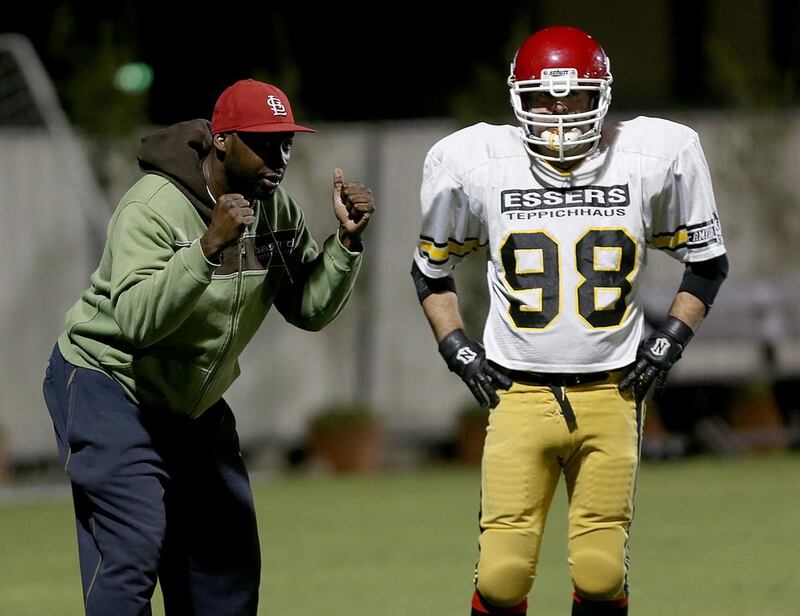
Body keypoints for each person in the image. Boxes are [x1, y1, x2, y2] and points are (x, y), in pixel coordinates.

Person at [411, 26, 728, 616]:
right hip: (518, 391)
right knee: (503, 576)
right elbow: (429, 271)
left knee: (601, 572)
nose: (559, 114)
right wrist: (455, 344)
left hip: (612, 390)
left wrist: (670, 343)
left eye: (574, 98)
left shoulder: (651, 155)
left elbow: (707, 264)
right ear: (518, 101)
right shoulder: (477, 161)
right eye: (544, 99)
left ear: (600, 96)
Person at [42, 78, 375, 616]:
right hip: (109, 383)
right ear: (222, 141)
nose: (281, 155)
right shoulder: (151, 205)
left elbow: (309, 309)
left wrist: (347, 243)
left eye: (286, 142)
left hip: (192, 404)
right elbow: (135, 321)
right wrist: (206, 249)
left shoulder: (276, 210)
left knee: (225, 563)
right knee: (132, 545)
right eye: (264, 143)